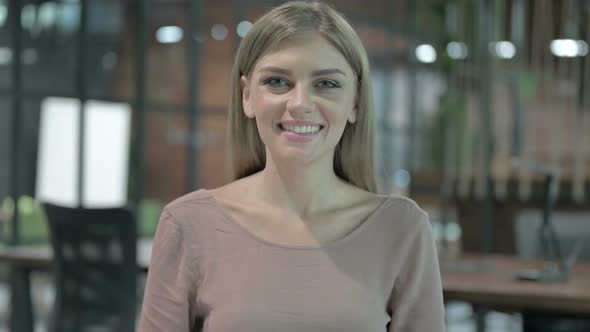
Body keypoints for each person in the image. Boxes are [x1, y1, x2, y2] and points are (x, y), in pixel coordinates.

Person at [138, 1, 445, 331]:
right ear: (247, 97)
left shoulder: (402, 229)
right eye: (277, 82)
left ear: (355, 102)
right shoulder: (188, 224)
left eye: (326, 84)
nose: (300, 104)